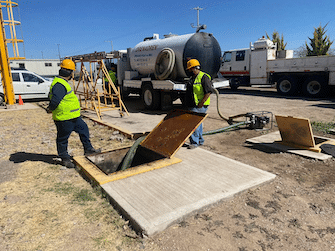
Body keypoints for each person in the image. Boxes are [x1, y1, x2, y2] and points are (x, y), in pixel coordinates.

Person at [47, 59, 101, 168]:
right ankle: (65, 158)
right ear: (70, 72)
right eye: (72, 71)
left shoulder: (62, 83)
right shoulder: (59, 84)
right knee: (62, 139)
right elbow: (55, 100)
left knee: (84, 130)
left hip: (74, 117)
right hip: (64, 118)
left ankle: (88, 150)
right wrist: (50, 108)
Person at [184, 59, 214, 149]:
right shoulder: (193, 78)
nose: (189, 71)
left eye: (190, 69)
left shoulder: (203, 77)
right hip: (193, 104)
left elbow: (208, 91)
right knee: (198, 123)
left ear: (195, 68)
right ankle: (200, 140)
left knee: (193, 124)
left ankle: (194, 142)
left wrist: (201, 102)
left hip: (199, 105)